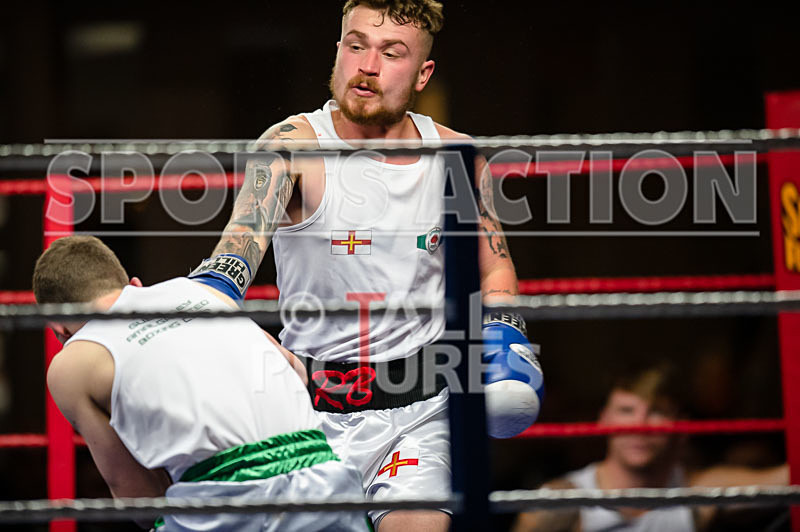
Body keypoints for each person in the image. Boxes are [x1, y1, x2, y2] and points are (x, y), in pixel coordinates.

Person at [207, 1, 544, 530]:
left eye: (392, 53)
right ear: (338, 50)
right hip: (308, 411)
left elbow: (495, 269)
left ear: (422, 74)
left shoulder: (455, 155)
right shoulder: (292, 145)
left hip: (422, 411)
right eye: (356, 45)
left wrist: (506, 336)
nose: (367, 65)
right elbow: (236, 254)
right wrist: (205, 301)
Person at [34, 235, 368, 531]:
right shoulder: (201, 290)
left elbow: (135, 494)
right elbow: (297, 371)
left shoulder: (70, 364)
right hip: (327, 485)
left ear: (58, 329)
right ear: (134, 286)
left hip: (225, 506)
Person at [511, 366, 788, 532]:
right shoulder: (561, 501)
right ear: (603, 419)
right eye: (627, 411)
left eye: (655, 412)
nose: (640, 425)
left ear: (681, 425)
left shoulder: (696, 492)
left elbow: (787, 479)